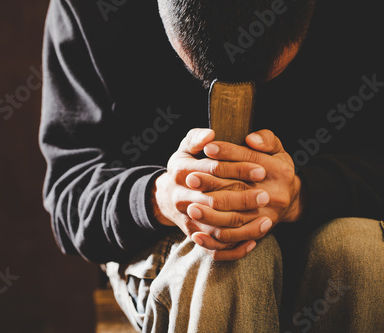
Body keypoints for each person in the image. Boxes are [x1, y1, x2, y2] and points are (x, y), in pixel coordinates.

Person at [39, 0, 384, 331]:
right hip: (172, 248)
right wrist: (158, 197)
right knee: (226, 266)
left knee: (359, 252)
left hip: (337, 225)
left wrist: (305, 193)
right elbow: (70, 193)